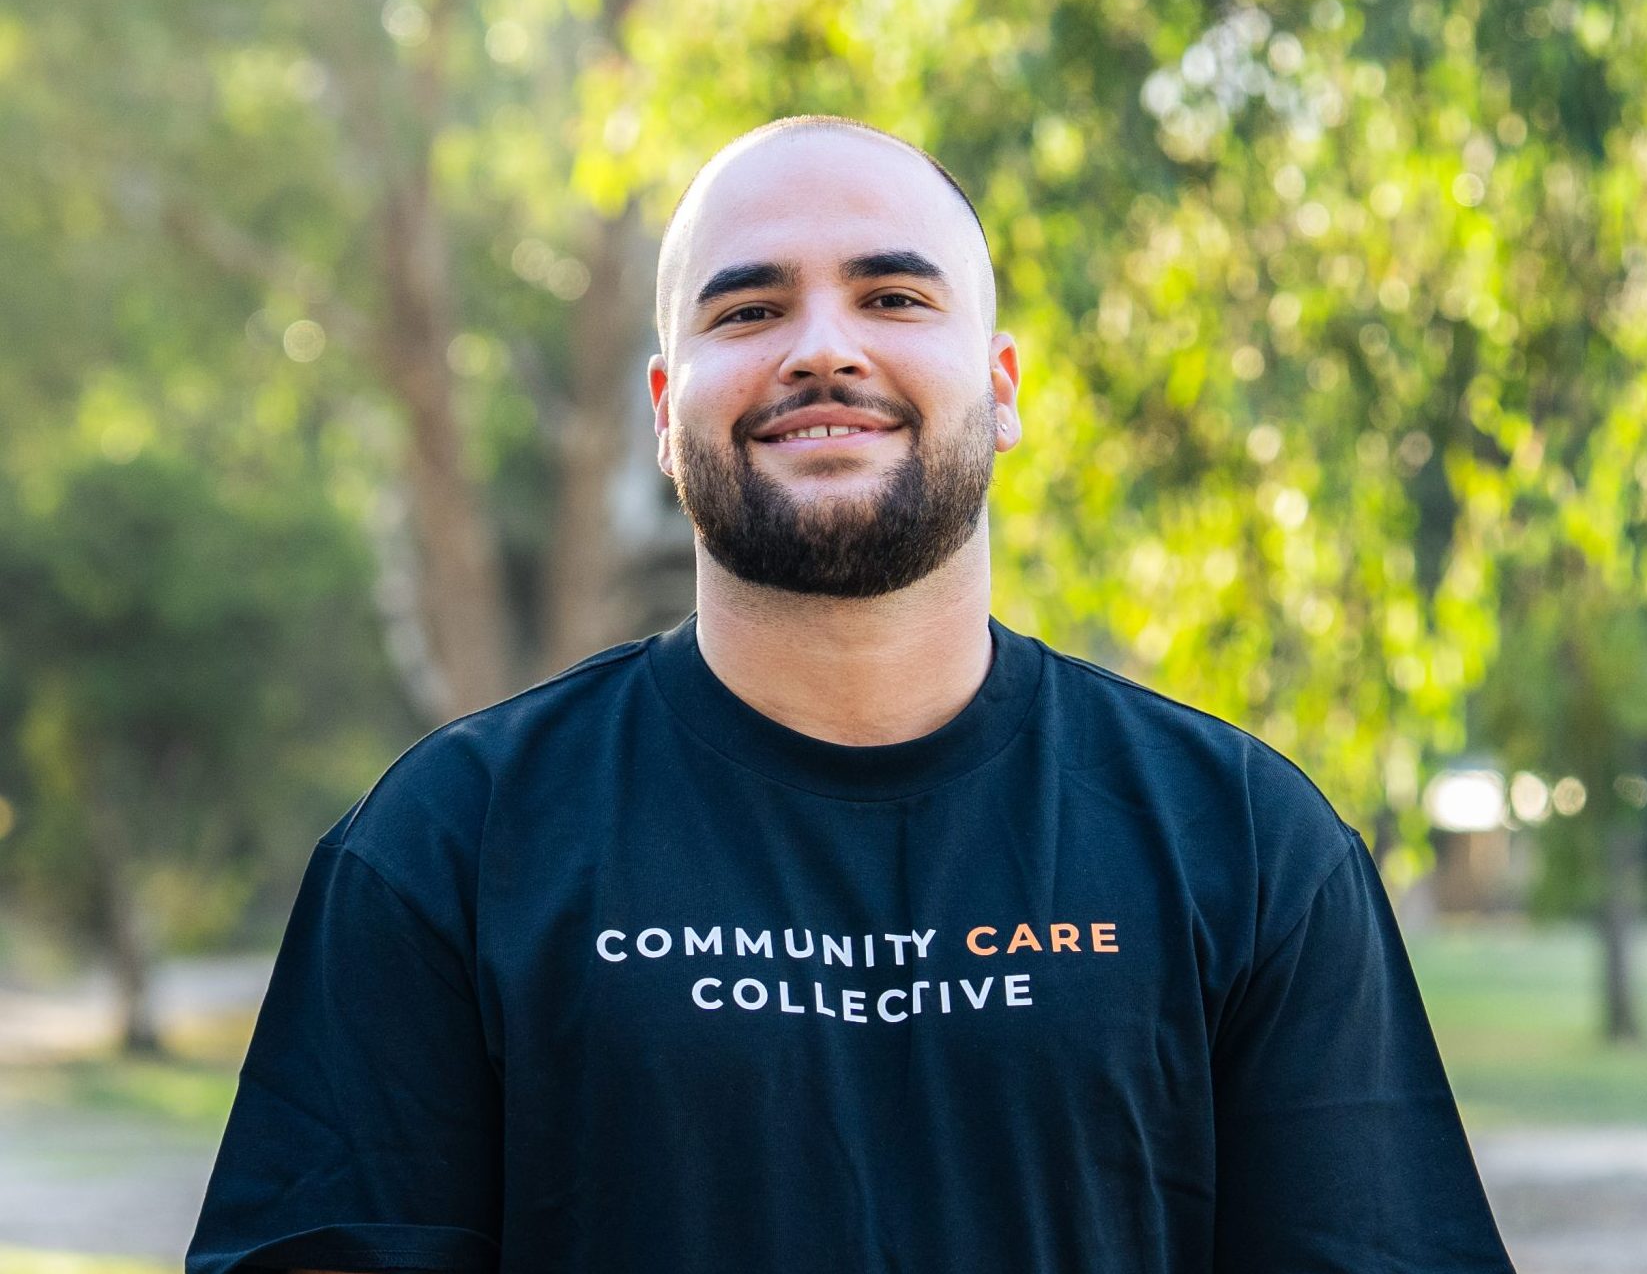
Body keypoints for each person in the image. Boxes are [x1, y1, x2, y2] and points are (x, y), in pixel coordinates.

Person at [187, 116, 1515, 1274]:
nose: (823, 350)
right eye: (749, 310)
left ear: (999, 388)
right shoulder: (451, 845)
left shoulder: (1243, 842)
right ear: (667, 406)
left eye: (893, 298)